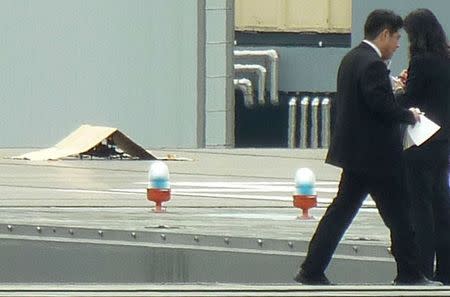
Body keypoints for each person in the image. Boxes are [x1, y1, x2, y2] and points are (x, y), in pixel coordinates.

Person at [294, 9, 436, 285]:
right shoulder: (372, 64)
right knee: (400, 216)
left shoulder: (351, 59)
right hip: (377, 157)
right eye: (395, 38)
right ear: (383, 34)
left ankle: (311, 269)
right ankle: (409, 273)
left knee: (341, 214)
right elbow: (380, 105)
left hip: (356, 156)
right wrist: (410, 115)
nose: (397, 45)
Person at [396, 8, 450, 285]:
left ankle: (423, 269)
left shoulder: (421, 61)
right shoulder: (446, 57)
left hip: (422, 141)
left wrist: (401, 88)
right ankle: (446, 270)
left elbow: (411, 100)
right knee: (442, 206)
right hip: (444, 143)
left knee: (421, 208)